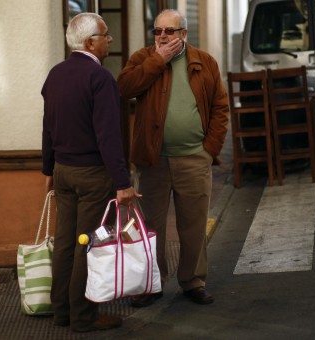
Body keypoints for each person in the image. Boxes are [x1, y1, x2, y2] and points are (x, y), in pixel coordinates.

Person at [117, 9, 229, 307]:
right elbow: (124, 88)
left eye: (169, 31)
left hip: (194, 157)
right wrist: (158, 61)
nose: (162, 36)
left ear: (184, 34)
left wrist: (210, 150)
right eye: (158, 31)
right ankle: (152, 284)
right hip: (153, 160)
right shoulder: (142, 58)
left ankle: (193, 281)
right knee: (152, 225)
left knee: (192, 224)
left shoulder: (203, 61)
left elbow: (220, 106)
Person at [41, 12, 139, 333]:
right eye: (105, 35)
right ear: (89, 42)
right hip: (93, 176)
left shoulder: (55, 74)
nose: (109, 40)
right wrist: (123, 182)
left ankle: (62, 312)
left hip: (64, 172)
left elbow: (48, 128)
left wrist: (48, 169)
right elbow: (108, 136)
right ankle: (84, 316)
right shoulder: (100, 79)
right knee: (89, 245)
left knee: (67, 243)